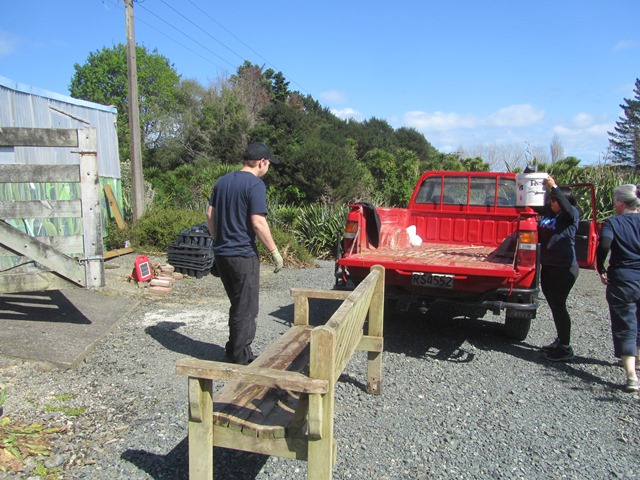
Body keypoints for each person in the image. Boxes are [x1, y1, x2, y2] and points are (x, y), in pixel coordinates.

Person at [206, 142, 284, 365]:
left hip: (222, 254)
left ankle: (234, 349)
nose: (268, 167)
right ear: (262, 162)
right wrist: (274, 252)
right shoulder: (255, 185)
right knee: (247, 307)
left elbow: (210, 214)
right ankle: (239, 358)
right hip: (242, 254)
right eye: (268, 163)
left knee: (238, 304)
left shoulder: (222, 181)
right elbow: (258, 222)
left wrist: (217, 240)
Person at [596, 184, 640, 392]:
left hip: (623, 279)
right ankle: (637, 361)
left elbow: (604, 245)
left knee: (625, 324)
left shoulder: (613, 222)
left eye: (615, 200)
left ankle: (631, 376)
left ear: (621, 202)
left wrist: (600, 266)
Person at [538, 175, 580, 361]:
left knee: (559, 305)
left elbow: (567, 208)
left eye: (555, 200)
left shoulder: (571, 214)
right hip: (548, 265)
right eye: (551, 200)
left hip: (564, 267)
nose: (551, 202)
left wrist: (554, 186)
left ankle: (565, 348)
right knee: (554, 305)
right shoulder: (550, 212)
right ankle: (561, 340)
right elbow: (531, 204)